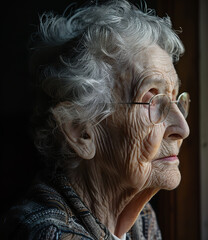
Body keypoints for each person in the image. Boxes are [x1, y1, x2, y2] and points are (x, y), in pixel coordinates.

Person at [0, 0, 190, 239]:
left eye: (176, 100)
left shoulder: (139, 218)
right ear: (81, 132)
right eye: (152, 102)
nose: (182, 128)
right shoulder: (48, 233)